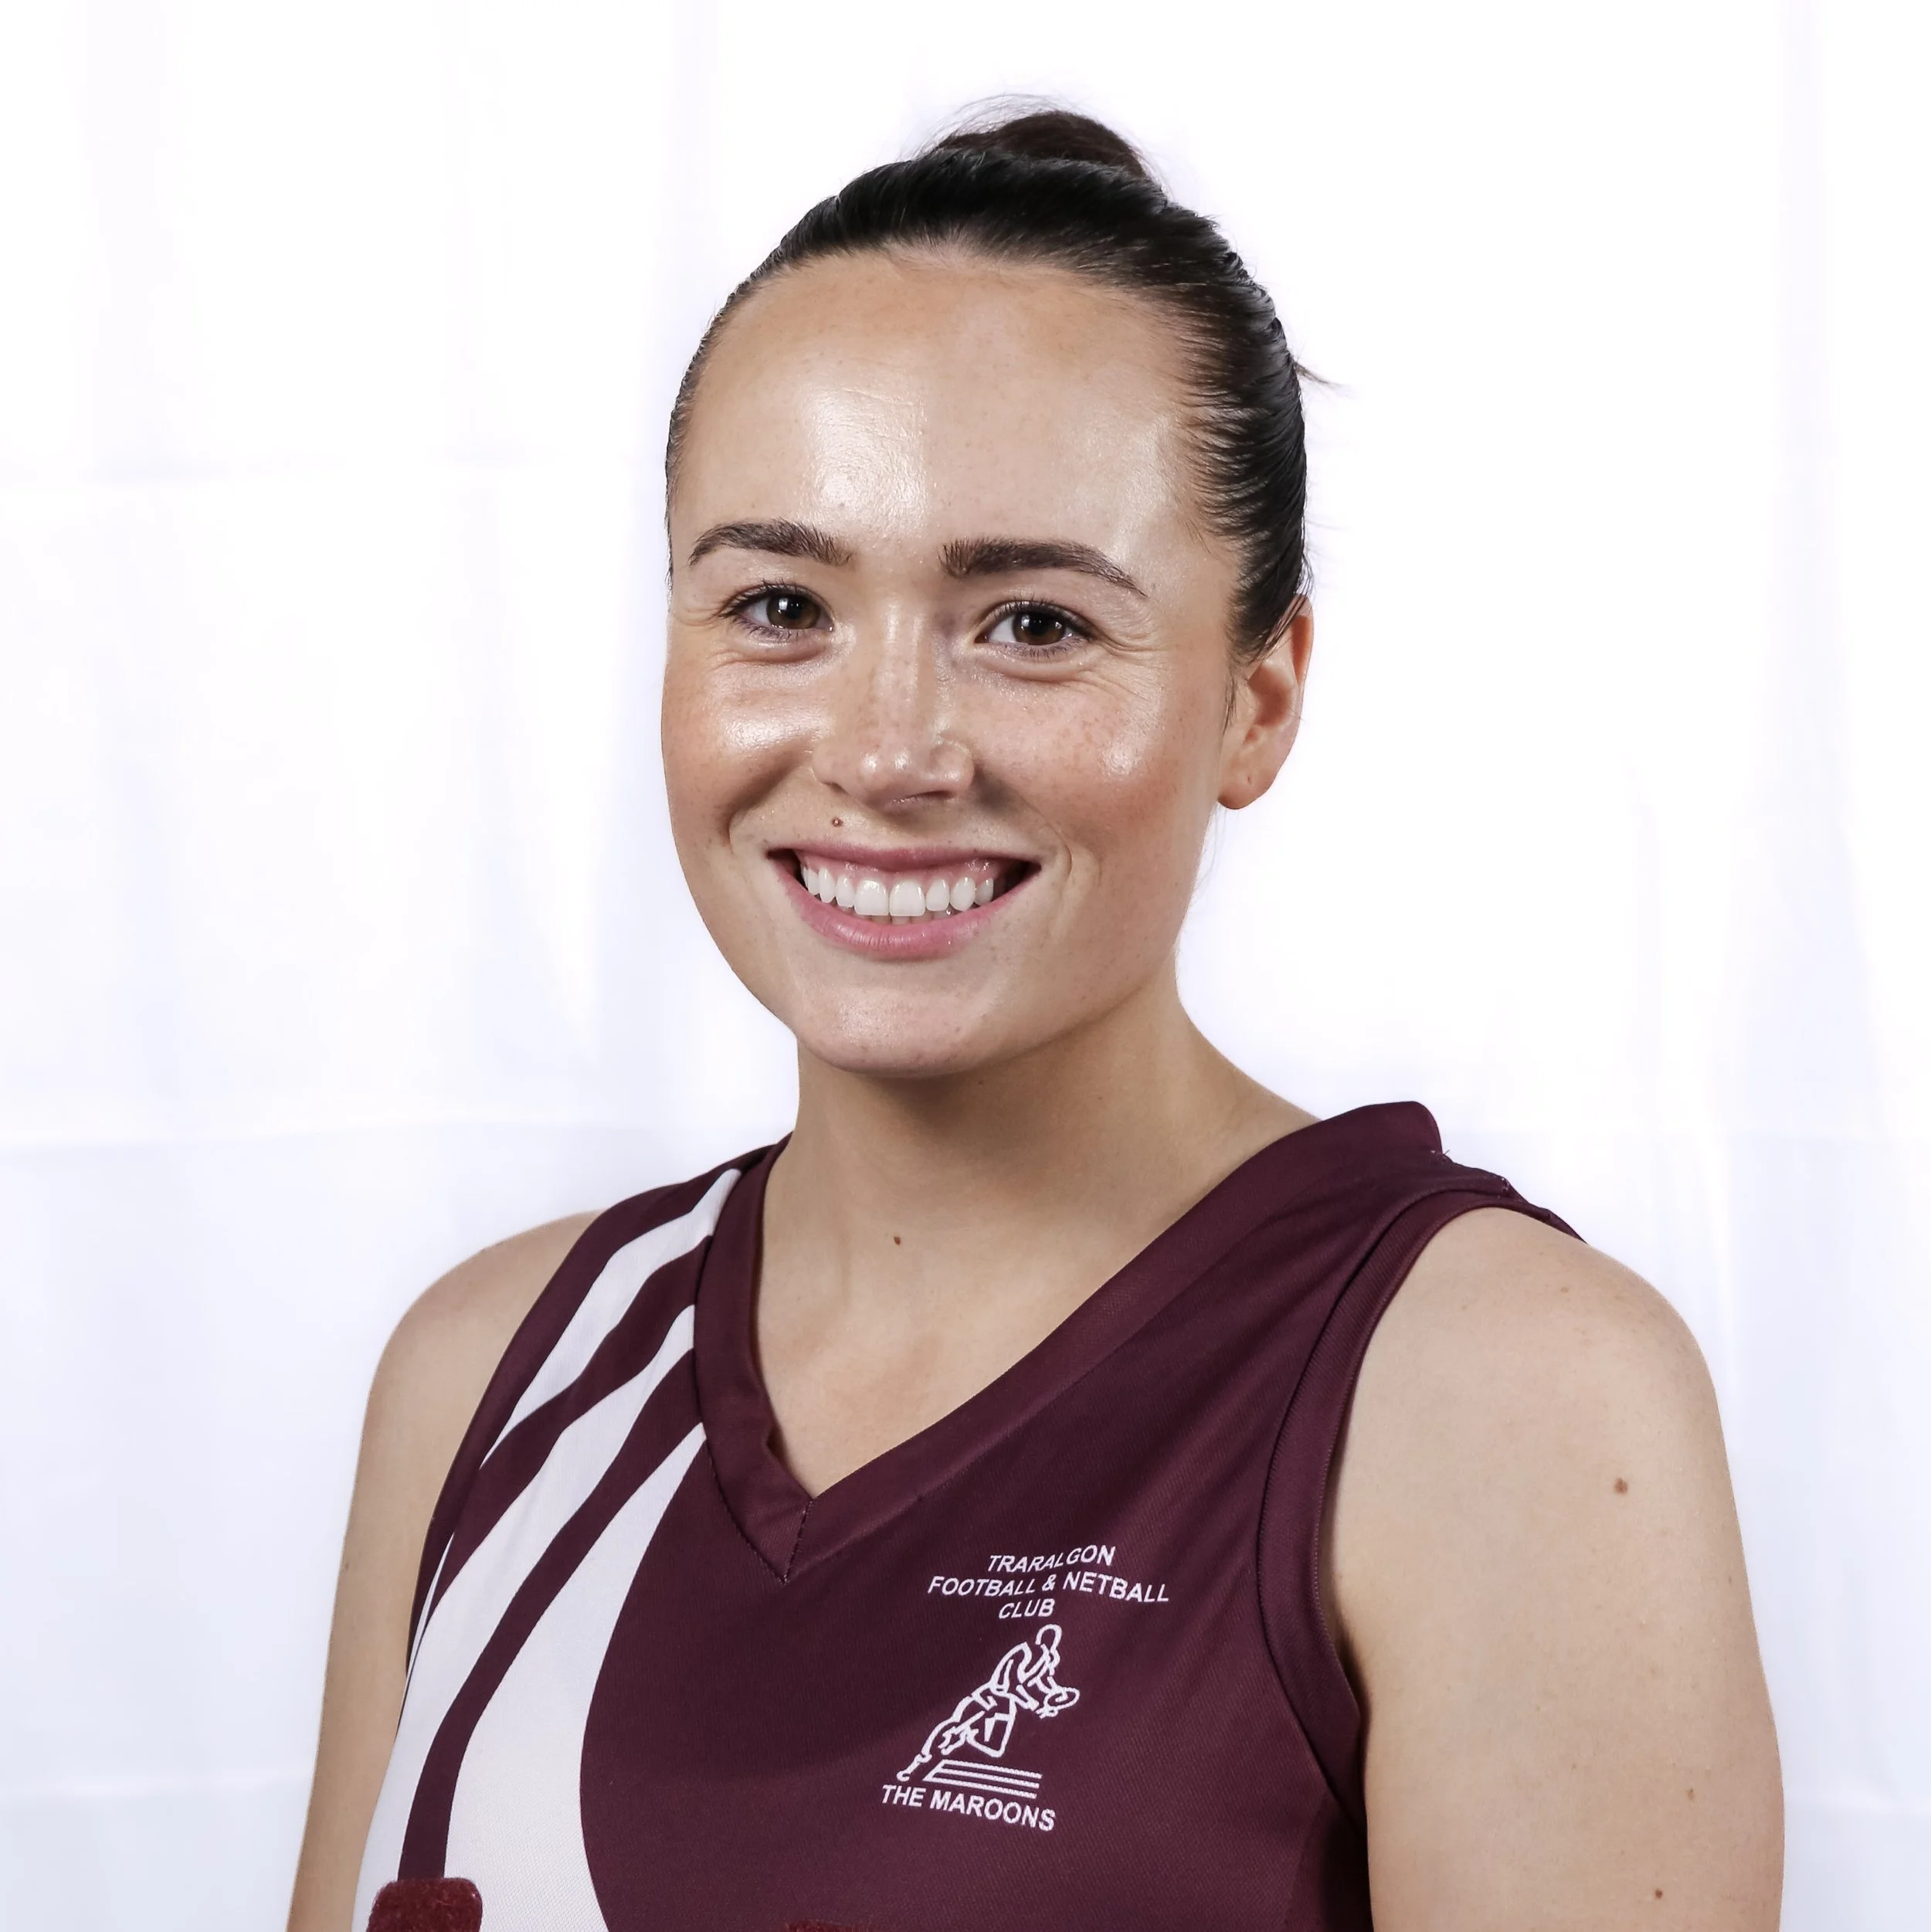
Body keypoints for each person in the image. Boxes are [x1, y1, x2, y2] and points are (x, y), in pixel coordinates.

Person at [289, 107, 1783, 1932]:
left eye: (1034, 624)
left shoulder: (1497, 1393)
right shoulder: (493, 1372)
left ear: (1256, 696)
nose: (885, 750)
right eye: (779, 603)